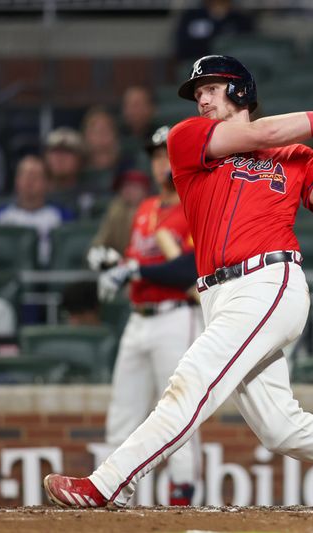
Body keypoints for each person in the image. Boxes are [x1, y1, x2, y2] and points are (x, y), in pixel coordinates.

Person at [45, 54, 313, 510]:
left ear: (241, 91)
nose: (202, 97)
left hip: (268, 280)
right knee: (281, 427)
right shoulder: (188, 138)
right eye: (198, 91)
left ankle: (108, 483)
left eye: (211, 87)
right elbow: (262, 133)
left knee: (190, 380)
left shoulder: (297, 156)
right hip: (217, 292)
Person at [85, 125, 204, 506]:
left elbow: (190, 268)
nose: (159, 164)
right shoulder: (146, 209)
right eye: (155, 157)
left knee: (180, 408)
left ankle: (182, 497)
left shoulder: (195, 202)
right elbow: (142, 261)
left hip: (176, 315)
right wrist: (114, 263)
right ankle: (108, 491)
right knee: (123, 410)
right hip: (138, 317)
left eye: (166, 156)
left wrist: (135, 270)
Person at [0, 155, 75, 266]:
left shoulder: (62, 215)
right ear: (16, 181)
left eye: (35, 176)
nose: (29, 181)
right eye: (24, 175)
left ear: (47, 183)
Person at [91, 170, 152, 255]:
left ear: (145, 191)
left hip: (146, 259)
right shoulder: (116, 210)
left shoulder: (154, 209)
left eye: (134, 187)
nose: (129, 191)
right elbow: (101, 240)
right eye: (125, 186)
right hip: (120, 260)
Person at [174, 0, 254, 61]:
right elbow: (182, 45)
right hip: (198, 63)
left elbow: (249, 47)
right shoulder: (192, 16)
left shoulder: (241, 19)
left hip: (232, 65)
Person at [81, 106, 123, 191]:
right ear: (86, 136)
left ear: (115, 135)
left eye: (106, 130)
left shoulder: (127, 169)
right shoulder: (77, 172)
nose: (101, 136)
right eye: (96, 131)